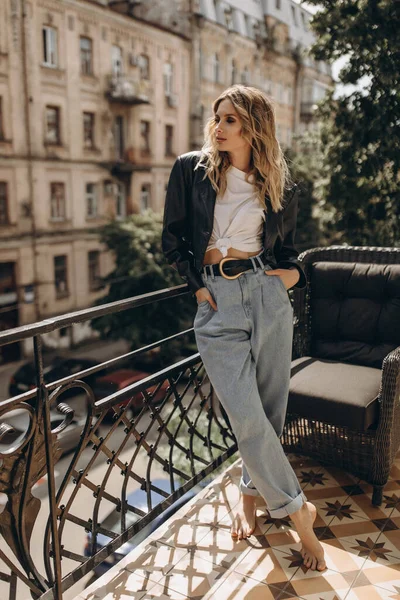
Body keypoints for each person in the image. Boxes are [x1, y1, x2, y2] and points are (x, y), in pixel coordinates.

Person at [161, 84, 326, 572]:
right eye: (217, 118)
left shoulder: (281, 186)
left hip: (268, 296)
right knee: (246, 413)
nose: (218, 126)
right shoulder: (190, 171)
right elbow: (172, 239)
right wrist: (197, 287)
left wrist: (293, 275)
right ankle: (300, 515)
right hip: (216, 301)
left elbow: (288, 253)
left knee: (270, 411)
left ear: (254, 125)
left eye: (230, 119)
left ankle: (250, 500)